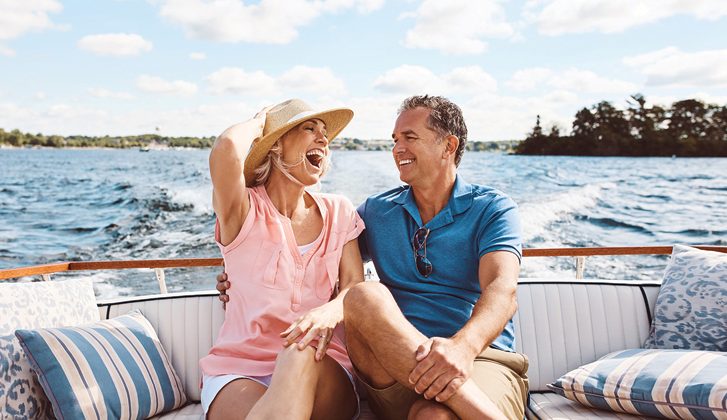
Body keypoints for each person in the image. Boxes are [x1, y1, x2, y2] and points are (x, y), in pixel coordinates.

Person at [218, 95, 528, 419]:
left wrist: (462, 348)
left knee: (433, 417)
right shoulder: (377, 212)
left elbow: (501, 290)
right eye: (395, 140)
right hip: (393, 370)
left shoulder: (493, 208)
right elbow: (316, 255)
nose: (398, 149)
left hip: (479, 358)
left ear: (448, 146)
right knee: (364, 294)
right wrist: (239, 280)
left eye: (410, 137)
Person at [201, 98, 365, 420]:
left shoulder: (339, 211)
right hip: (239, 369)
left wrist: (331, 310)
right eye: (309, 128)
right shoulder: (243, 210)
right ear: (276, 146)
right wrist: (262, 122)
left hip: (322, 363)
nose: (323, 139)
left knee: (298, 352)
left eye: (325, 135)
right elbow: (227, 149)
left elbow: (354, 285)